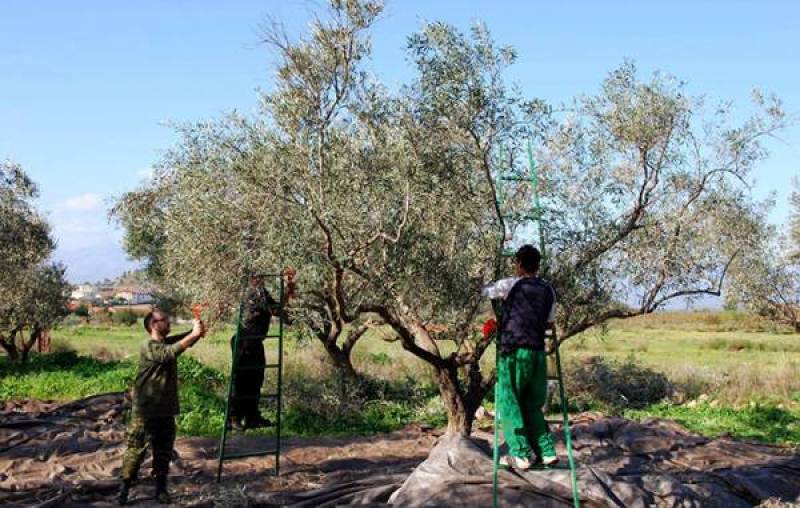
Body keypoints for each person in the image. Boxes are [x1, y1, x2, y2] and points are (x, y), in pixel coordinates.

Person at [117, 310, 206, 505]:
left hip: (165, 411)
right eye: (164, 320)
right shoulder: (148, 345)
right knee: (136, 451)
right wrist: (193, 334)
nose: (168, 321)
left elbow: (182, 341)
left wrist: (195, 331)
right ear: (154, 325)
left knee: (163, 452)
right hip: (146, 412)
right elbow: (169, 353)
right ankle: (124, 489)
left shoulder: (164, 342)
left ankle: (160, 490)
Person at [482, 244, 558, 471]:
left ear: (520, 264)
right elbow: (550, 322)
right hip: (537, 353)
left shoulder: (511, 284)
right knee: (532, 405)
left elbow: (484, 292)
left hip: (514, 352)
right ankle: (546, 452)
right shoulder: (548, 290)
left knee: (509, 401)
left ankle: (521, 454)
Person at [229, 275, 280, 430]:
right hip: (243, 342)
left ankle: (252, 416)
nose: (259, 280)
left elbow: (276, 309)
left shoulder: (262, 292)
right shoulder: (252, 294)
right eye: (255, 277)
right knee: (240, 381)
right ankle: (234, 418)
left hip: (256, 342)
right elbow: (274, 309)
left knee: (256, 380)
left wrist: (289, 293)